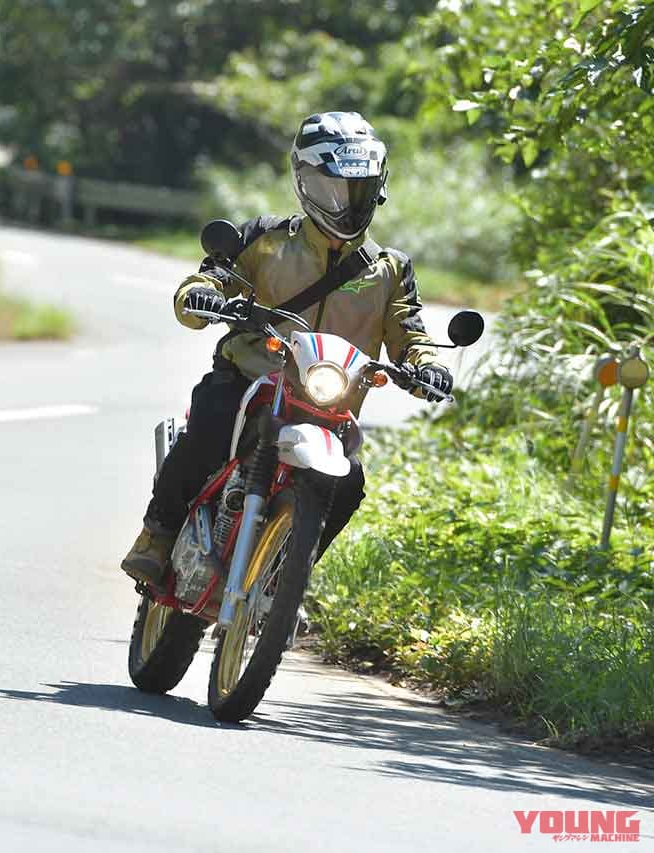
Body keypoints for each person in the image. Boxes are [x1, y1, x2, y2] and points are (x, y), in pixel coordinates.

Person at [121, 111, 453, 585]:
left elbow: (410, 332)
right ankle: (157, 535)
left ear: (377, 185)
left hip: (329, 405)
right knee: (212, 421)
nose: (345, 202)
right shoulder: (265, 239)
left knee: (350, 483)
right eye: (330, 188)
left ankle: (285, 581)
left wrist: (428, 367)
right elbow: (213, 275)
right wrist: (201, 296)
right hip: (253, 377)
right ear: (303, 181)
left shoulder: (389, 268)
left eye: (356, 188)